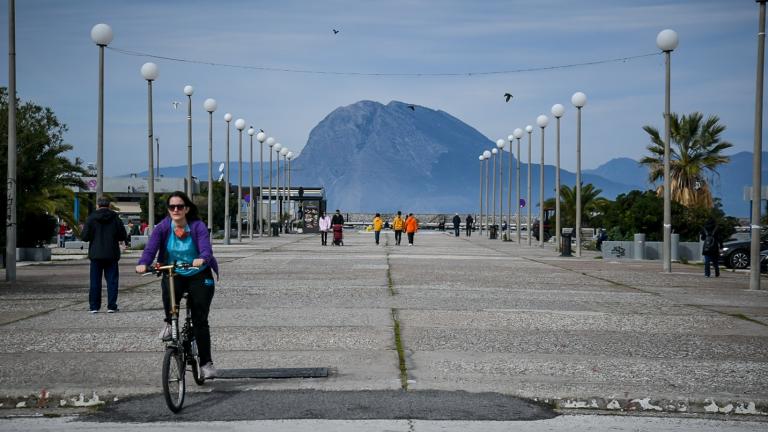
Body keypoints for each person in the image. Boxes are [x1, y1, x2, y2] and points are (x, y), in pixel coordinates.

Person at [135, 191, 220, 379]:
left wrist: (202, 258)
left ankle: (206, 363)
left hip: (199, 273)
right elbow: (151, 248)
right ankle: (169, 323)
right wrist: (143, 262)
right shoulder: (163, 227)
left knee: (200, 320)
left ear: (186, 209)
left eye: (180, 206)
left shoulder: (197, 226)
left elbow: (206, 248)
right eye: (172, 207)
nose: (176, 210)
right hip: (175, 271)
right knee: (168, 286)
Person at [81, 197, 128, 314]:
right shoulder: (116, 218)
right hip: (111, 254)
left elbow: (85, 237)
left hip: (96, 254)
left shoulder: (91, 218)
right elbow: (123, 235)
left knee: (95, 281)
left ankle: (94, 307)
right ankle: (111, 306)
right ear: (109, 206)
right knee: (112, 281)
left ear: (97, 206)